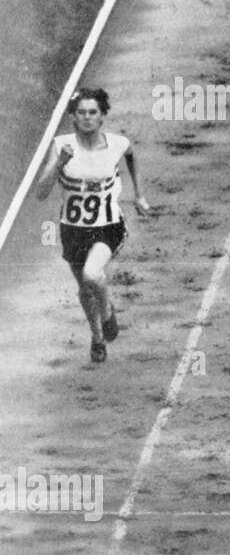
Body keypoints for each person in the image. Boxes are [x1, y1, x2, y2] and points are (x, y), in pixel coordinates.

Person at [34, 88, 150, 363]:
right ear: (73, 117)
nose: (87, 117)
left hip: (107, 226)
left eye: (93, 112)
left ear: (101, 116)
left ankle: (108, 312)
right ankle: (97, 337)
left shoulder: (117, 144)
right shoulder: (61, 144)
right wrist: (59, 164)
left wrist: (139, 194)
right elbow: (40, 192)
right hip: (73, 230)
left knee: (91, 274)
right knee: (85, 289)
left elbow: (132, 156)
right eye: (81, 112)